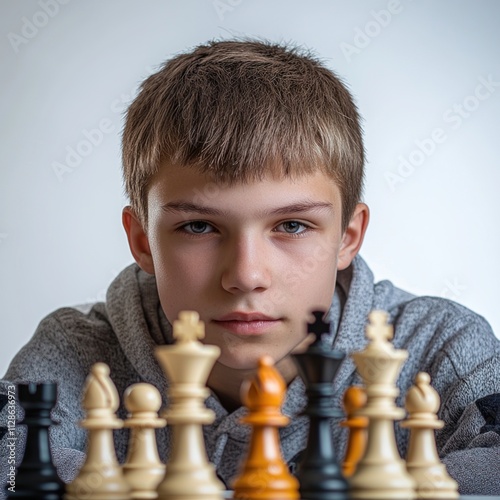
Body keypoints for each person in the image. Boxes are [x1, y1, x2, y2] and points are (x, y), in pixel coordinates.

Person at [1, 39, 499, 496]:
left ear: (348, 236)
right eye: (199, 227)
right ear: (142, 241)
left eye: (292, 226)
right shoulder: (70, 357)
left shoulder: (443, 348)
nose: (246, 274)